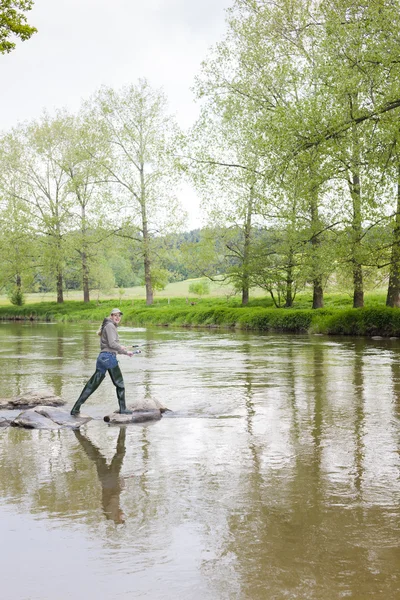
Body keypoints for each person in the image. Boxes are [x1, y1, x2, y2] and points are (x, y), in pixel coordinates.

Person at [71, 308, 140, 415]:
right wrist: (121, 348)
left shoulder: (107, 326)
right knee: (120, 384)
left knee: (91, 385)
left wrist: (127, 353)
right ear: (111, 316)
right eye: (115, 315)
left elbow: (111, 347)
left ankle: (76, 408)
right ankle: (123, 409)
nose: (118, 317)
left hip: (102, 358)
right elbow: (113, 345)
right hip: (109, 359)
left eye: (119, 315)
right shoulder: (110, 326)